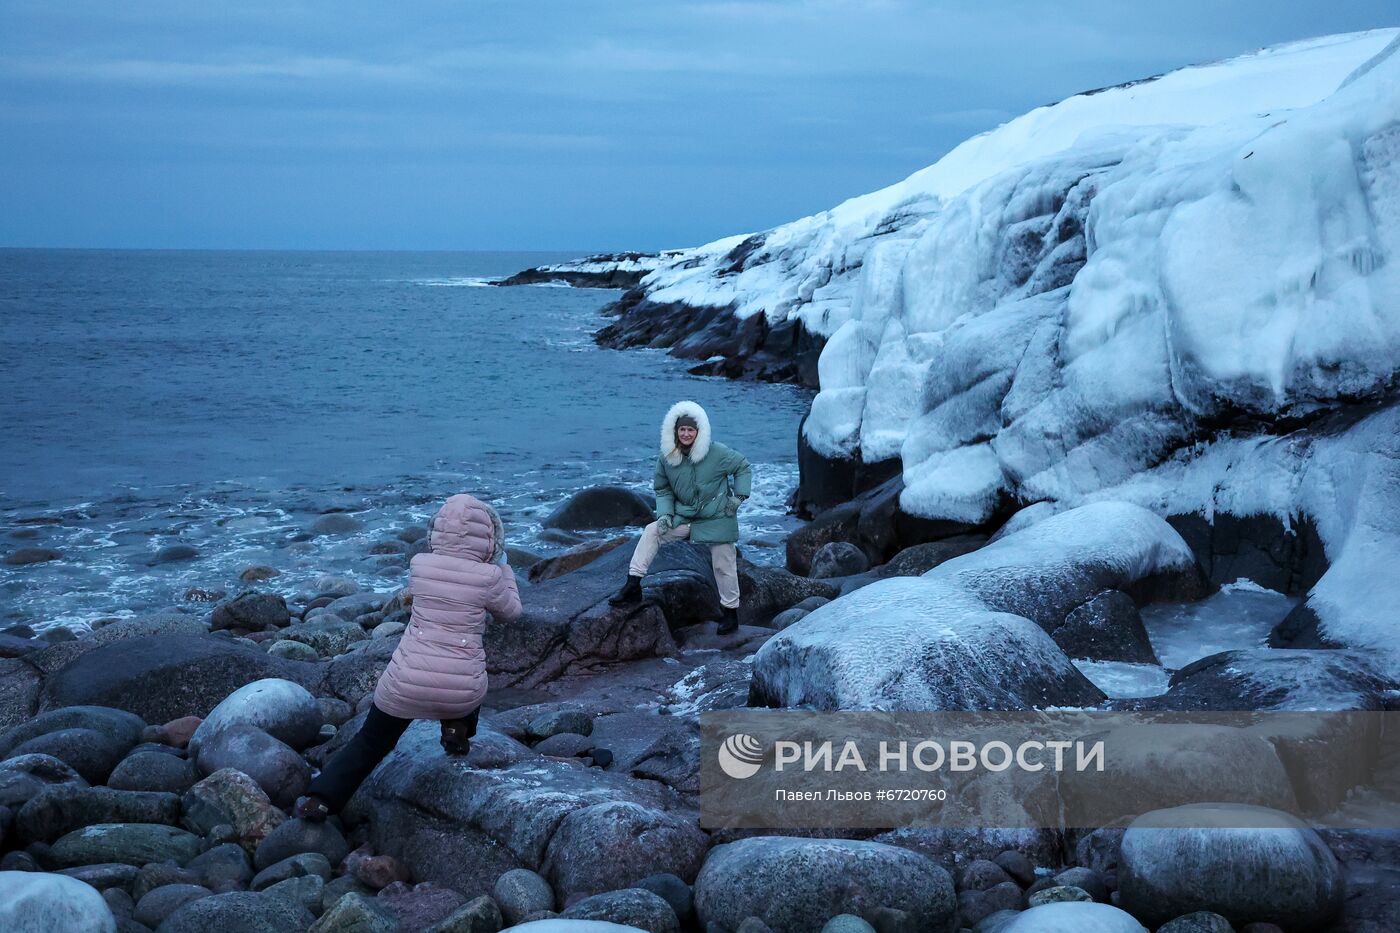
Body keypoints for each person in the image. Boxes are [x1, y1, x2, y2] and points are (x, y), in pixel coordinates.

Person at [293, 493, 521, 820]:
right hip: (459, 694)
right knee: (470, 672)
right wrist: (504, 570)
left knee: (370, 742)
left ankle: (320, 800)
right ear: (490, 536)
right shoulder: (490, 577)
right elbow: (511, 613)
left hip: (404, 684)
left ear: (437, 531)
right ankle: (457, 726)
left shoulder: (420, 566)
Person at [610, 400, 752, 634]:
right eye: (682, 429)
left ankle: (730, 613)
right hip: (684, 516)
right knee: (652, 531)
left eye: (691, 429)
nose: (686, 434)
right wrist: (665, 514)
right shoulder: (667, 457)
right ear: (675, 431)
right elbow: (663, 489)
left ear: (699, 431)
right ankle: (633, 585)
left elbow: (743, 467)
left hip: (717, 516)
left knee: (723, 562)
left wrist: (738, 497)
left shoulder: (717, 452)